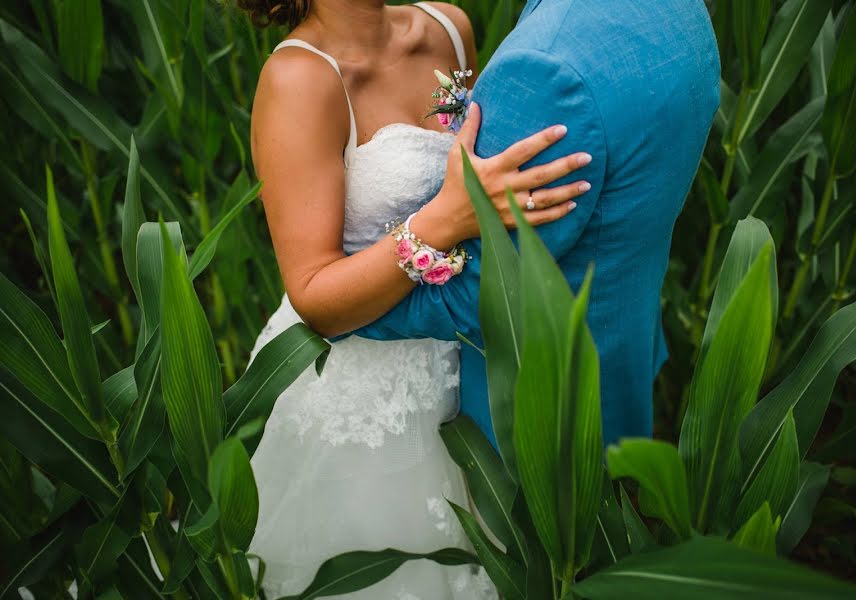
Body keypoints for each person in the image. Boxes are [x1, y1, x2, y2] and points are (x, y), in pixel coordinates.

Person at [238, 0, 592, 597]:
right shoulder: (298, 79)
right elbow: (315, 298)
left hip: (471, 363)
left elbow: (476, 167)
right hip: (361, 400)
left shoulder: (449, 28)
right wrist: (443, 222)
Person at [349, 0, 721, 451]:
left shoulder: (546, 68)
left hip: (536, 412)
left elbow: (483, 296)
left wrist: (333, 301)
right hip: (619, 350)